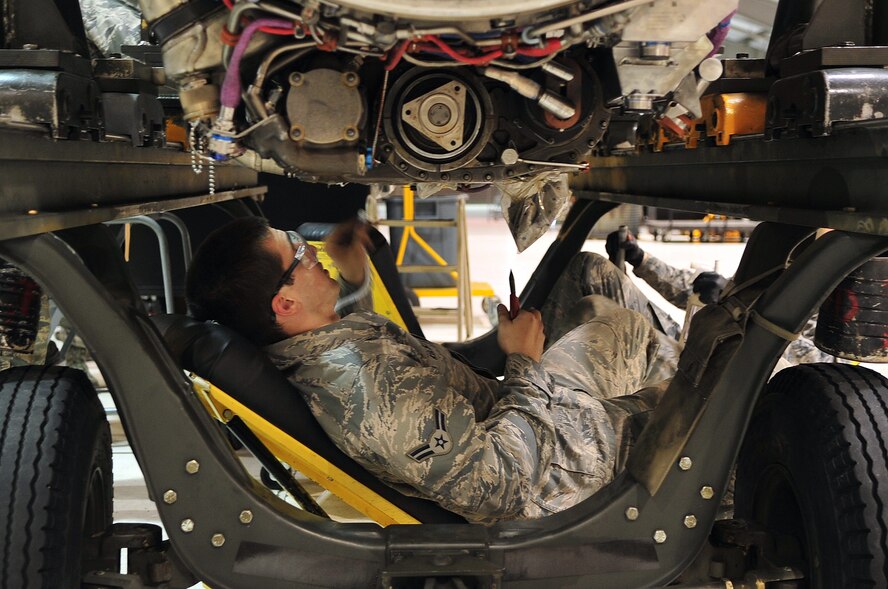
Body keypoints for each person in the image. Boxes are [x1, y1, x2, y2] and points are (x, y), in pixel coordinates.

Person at [186, 216, 679, 524]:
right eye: (298, 251)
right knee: (713, 389)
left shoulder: (322, 342)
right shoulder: (366, 389)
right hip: (564, 476)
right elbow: (501, 486)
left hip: (531, 424)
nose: (312, 250)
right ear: (286, 301)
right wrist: (524, 363)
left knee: (602, 303)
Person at [604, 230, 832, 365]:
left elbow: (817, 364)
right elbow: (693, 292)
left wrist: (733, 311)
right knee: (596, 270)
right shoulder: (775, 262)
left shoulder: (833, 295)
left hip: (730, 380)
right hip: (694, 349)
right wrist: (641, 259)